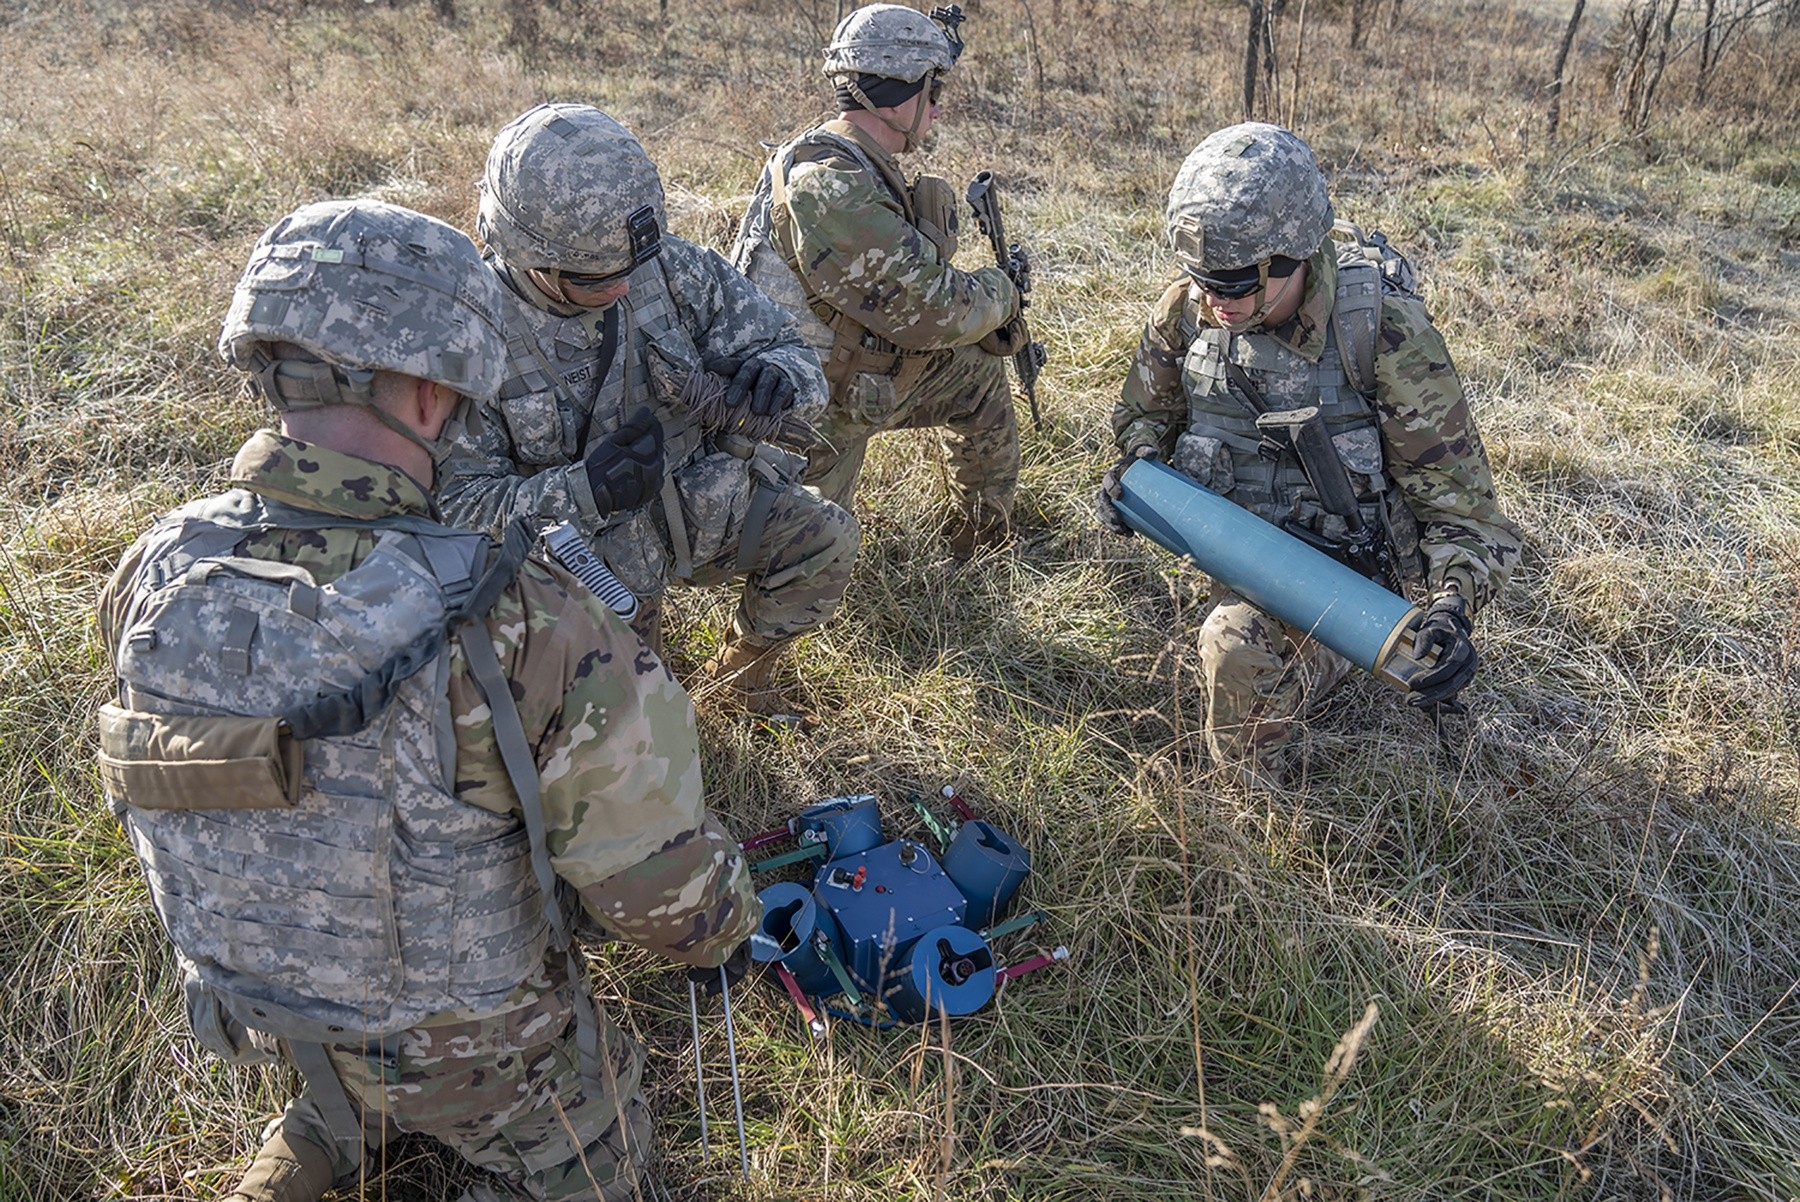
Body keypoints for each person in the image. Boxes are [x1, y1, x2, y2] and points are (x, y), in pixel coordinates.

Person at [96, 198, 759, 1202]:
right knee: (603, 1144)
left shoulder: (155, 567)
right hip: (476, 1053)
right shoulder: (520, 609)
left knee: (342, 1099)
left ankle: (330, 1124)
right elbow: (659, 897)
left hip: (266, 1015)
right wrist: (725, 926)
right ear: (424, 389)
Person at [1097, 123, 1523, 787]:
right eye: (1203, 280)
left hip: (1338, 584)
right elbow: (1142, 416)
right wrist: (1138, 472)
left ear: (1294, 257)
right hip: (1225, 551)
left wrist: (1451, 605)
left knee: (1233, 645)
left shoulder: (1378, 330)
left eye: (1235, 284)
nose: (1214, 301)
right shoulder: (1188, 310)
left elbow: (1462, 509)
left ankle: (1252, 814)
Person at [438, 103, 858, 719]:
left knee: (825, 538)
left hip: (700, 507)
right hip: (582, 562)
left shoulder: (667, 266)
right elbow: (458, 511)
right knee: (637, 728)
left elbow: (788, 348)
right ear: (529, 255)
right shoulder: (469, 338)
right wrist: (582, 491)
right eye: (597, 279)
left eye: (633, 266)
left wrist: (779, 378)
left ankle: (740, 679)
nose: (627, 287)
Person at [730, 3, 1027, 555]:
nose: (936, 109)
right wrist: (1001, 294)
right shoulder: (831, 185)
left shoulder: (848, 159)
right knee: (809, 560)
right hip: (804, 414)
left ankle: (983, 542)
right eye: (932, 93)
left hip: (840, 379)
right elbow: (934, 310)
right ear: (897, 95)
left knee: (977, 373)